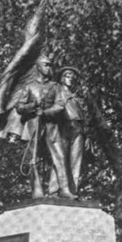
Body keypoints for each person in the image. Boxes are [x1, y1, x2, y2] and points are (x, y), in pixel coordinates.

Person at [15, 56, 77, 199]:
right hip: (33, 127)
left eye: (50, 65)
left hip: (52, 126)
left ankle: (65, 190)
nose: (49, 68)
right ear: (38, 67)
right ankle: (37, 191)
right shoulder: (29, 86)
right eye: (45, 65)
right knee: (33, 159)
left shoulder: (55, 86)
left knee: (60, 157)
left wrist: (45, 112)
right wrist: (32, 106)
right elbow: (19, 107)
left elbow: (60, 105)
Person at [48, 66, 85, 197]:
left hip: (78, 128)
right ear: (62, 78)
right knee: (60, 159)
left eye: (72, 76)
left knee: (76, 160)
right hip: (62, 126)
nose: (71, 78)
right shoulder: (56, 90)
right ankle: (54, 190)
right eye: (67, 75)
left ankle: (72, 190)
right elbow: (49, 106)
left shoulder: (78, 96)